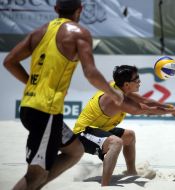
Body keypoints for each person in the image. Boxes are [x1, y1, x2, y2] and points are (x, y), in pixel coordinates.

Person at [3, 0, 123, 189]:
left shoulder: (39, 32)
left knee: (75, 151)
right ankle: (34, 184)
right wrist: (113, 93)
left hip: (30, 106)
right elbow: (90, 73)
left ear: (56, 9)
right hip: (45, 111)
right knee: (35, 175)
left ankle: (36, 185)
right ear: (80, 9)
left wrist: (31, 83)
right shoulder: (79, 33)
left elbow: (9, 61)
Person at [73, 65, 175, 186]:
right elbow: (147, 109)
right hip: (82, 134)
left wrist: (170, 108)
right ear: (127, 84)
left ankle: (131, 172)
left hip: (99, 130)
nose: (139, 81)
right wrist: (173, 111)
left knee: (129, 136)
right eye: (136, 79)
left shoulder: (119, 87)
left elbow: (145, 101)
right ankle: (105, 185)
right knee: (116, 142)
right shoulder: (117, 99)